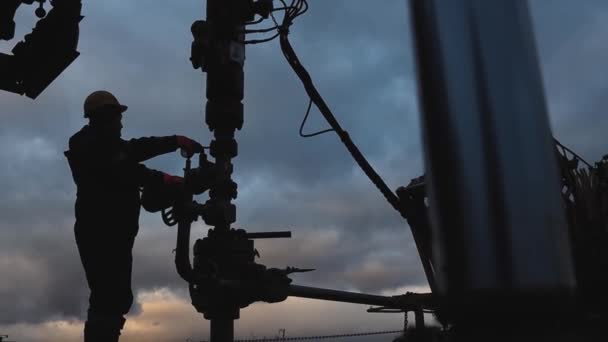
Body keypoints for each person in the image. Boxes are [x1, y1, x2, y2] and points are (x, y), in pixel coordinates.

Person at [64, 90, 203, 341]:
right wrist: (163, 178)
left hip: (116, 233)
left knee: (116, 299)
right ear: (103, 117)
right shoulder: (85, 144)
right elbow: (122, 168)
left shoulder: (109, 145)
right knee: (108, 298)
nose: (120, 123)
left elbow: (134, 149)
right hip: (100, 233)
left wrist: (175, 141)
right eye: (117, 118)